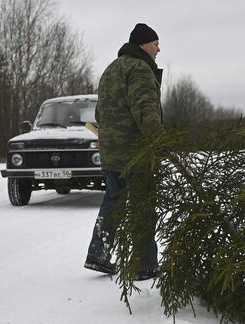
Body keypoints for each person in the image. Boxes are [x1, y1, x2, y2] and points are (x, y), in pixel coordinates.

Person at [84, 23, 163, 280]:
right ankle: (145, 265)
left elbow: (99, 113)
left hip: (112, 153)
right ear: (143, 44)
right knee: (143, 206)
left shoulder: (110, 70)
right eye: (155, 44)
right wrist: (159, 142)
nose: (158, 49)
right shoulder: (140, 69)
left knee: (113, 202)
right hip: (136, 153)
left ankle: (98, 253)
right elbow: (146, 110)